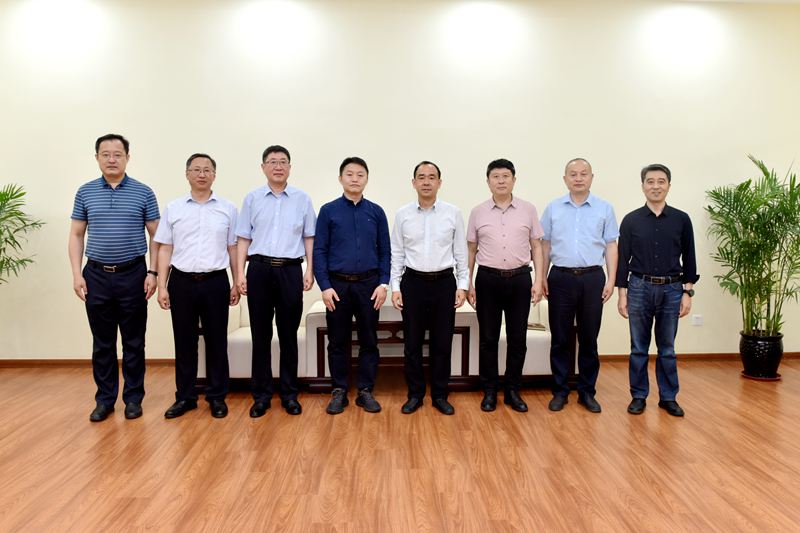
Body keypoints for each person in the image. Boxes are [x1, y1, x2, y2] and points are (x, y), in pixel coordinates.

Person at [68, 133, 160, 422]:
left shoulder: (144, 192)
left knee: (134, 342)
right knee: (102, 343)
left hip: (133, 275)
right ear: (97, 158)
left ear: (127, 158)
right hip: (95, 275)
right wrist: (76, 274)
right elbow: (76, 234)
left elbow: (157, 236)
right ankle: (105, 400)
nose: (111, 159)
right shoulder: (85, 192)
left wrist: (153, 272)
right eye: (105, 154)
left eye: (117, 154)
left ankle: (133, 399)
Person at [155, 153, 239, 419]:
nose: (202, 174)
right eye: (196, 169)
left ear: (214, 174)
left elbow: (233, 248)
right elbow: (165, 248)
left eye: (207, 170)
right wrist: (162, 285)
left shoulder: (228, 208)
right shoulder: (174, 208)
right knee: (184, 341)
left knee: (217, 341)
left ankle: (217, 397)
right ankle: (185, 397)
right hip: (181, 282)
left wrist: (237, 281)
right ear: (187, 174)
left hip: (216, 281)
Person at [235, 145, 316, 417]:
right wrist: (239, 273)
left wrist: (310, 270)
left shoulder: (302, 199)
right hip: (258, 269)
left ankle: (290, 394)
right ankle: (261, 396)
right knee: (261, 335)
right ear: (263, 167)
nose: (278, 166)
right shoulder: (252, 198)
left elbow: (309, 237)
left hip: (290, 271)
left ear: (290, 167)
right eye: (272, 162)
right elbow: (243, 238)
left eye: (283, 162)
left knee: (288, 335)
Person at [616, 164, 698, 417]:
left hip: (672, 289)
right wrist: (622, 294)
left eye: (661, 181)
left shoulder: (681, 219)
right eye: (650, 181)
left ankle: (668, 397)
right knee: (638, 348)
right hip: (639, 287)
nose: (655, 186)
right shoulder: (631, 220)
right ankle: (639, 396)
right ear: (643, 186)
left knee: (667, 349)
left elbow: (690, 256)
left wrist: (687, 292)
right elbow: (622, 258)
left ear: (669, 186)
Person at [390, 161, 469, 416]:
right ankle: (415, 395)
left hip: (444, 284)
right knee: (412, 344)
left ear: (439, 182)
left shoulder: (453, 213)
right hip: (412, 283)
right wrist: (395, 287)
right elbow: (397, 253)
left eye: (432, 177)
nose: (426, 182)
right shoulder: (402, 214)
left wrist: (463, 285)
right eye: (421, 177)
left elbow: (460, 252)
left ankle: (440, 395)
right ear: (413, 183)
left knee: (442, 343)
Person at [313, 156, 391, 415]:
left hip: (369, 286)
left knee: (369, 340)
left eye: (360, 174)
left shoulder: (376, 212)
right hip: (337, 286)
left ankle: (365, 390)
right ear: (340, 178)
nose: (355, 179)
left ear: (366, 179)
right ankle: (339, 390)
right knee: (338, 341)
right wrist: (325, 286)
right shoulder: (328, 211)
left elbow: (385, 251)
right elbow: (319, 250)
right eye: (349, 174)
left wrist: (383, 283)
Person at [466, 159, 544, 413]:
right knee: (488, 338)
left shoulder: (528, 209)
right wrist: (468, 283)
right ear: (488, 181)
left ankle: (512, 390)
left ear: (514, 180)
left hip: (520, 279)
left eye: (505, 176)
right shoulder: (477, 212)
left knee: (517, 338)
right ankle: (489, 390)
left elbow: (536, 247)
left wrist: (539, 280)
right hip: (487, 280)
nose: (501, 181)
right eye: (496, 176)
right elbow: (471, 249)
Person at [541, 157, 618, 413]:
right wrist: (542, 277)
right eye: (573, 174)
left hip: (592, 278)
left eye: (583, 174)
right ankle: (560, 391)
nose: (578, 178)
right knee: (560, 338)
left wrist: (611, 280)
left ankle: (587, 392)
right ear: (565, 179)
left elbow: (611, 245)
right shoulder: (553, 208)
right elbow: (545, 245)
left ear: (591, 177)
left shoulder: (604, 208)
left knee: (589, 338)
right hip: (560, 278)